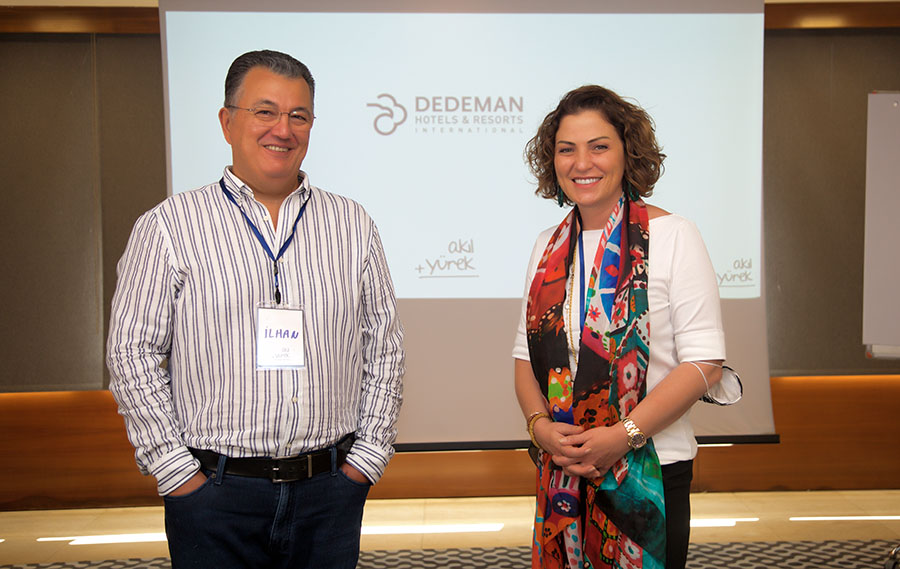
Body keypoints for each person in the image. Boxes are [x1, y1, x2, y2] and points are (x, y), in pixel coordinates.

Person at [107, 49, 405, 569]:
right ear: (227, 122)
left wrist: (367, 458)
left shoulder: (352, 224)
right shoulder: (169, 226)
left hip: (328, 493)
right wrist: (177, 472)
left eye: (299, 116)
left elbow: (385, 348)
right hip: (214, 494)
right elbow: (132, 353)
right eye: (265, 111)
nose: (282, 130)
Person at [512, 85, 726, 569]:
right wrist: (540, 428)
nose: (581, 163)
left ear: (628, 152)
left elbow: (705, 364)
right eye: (566, 149)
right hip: (563, 472)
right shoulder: (547, 246)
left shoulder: (673, 235)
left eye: (599, 146)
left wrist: (622, 436)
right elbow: (526, 360)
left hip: (651, 472)